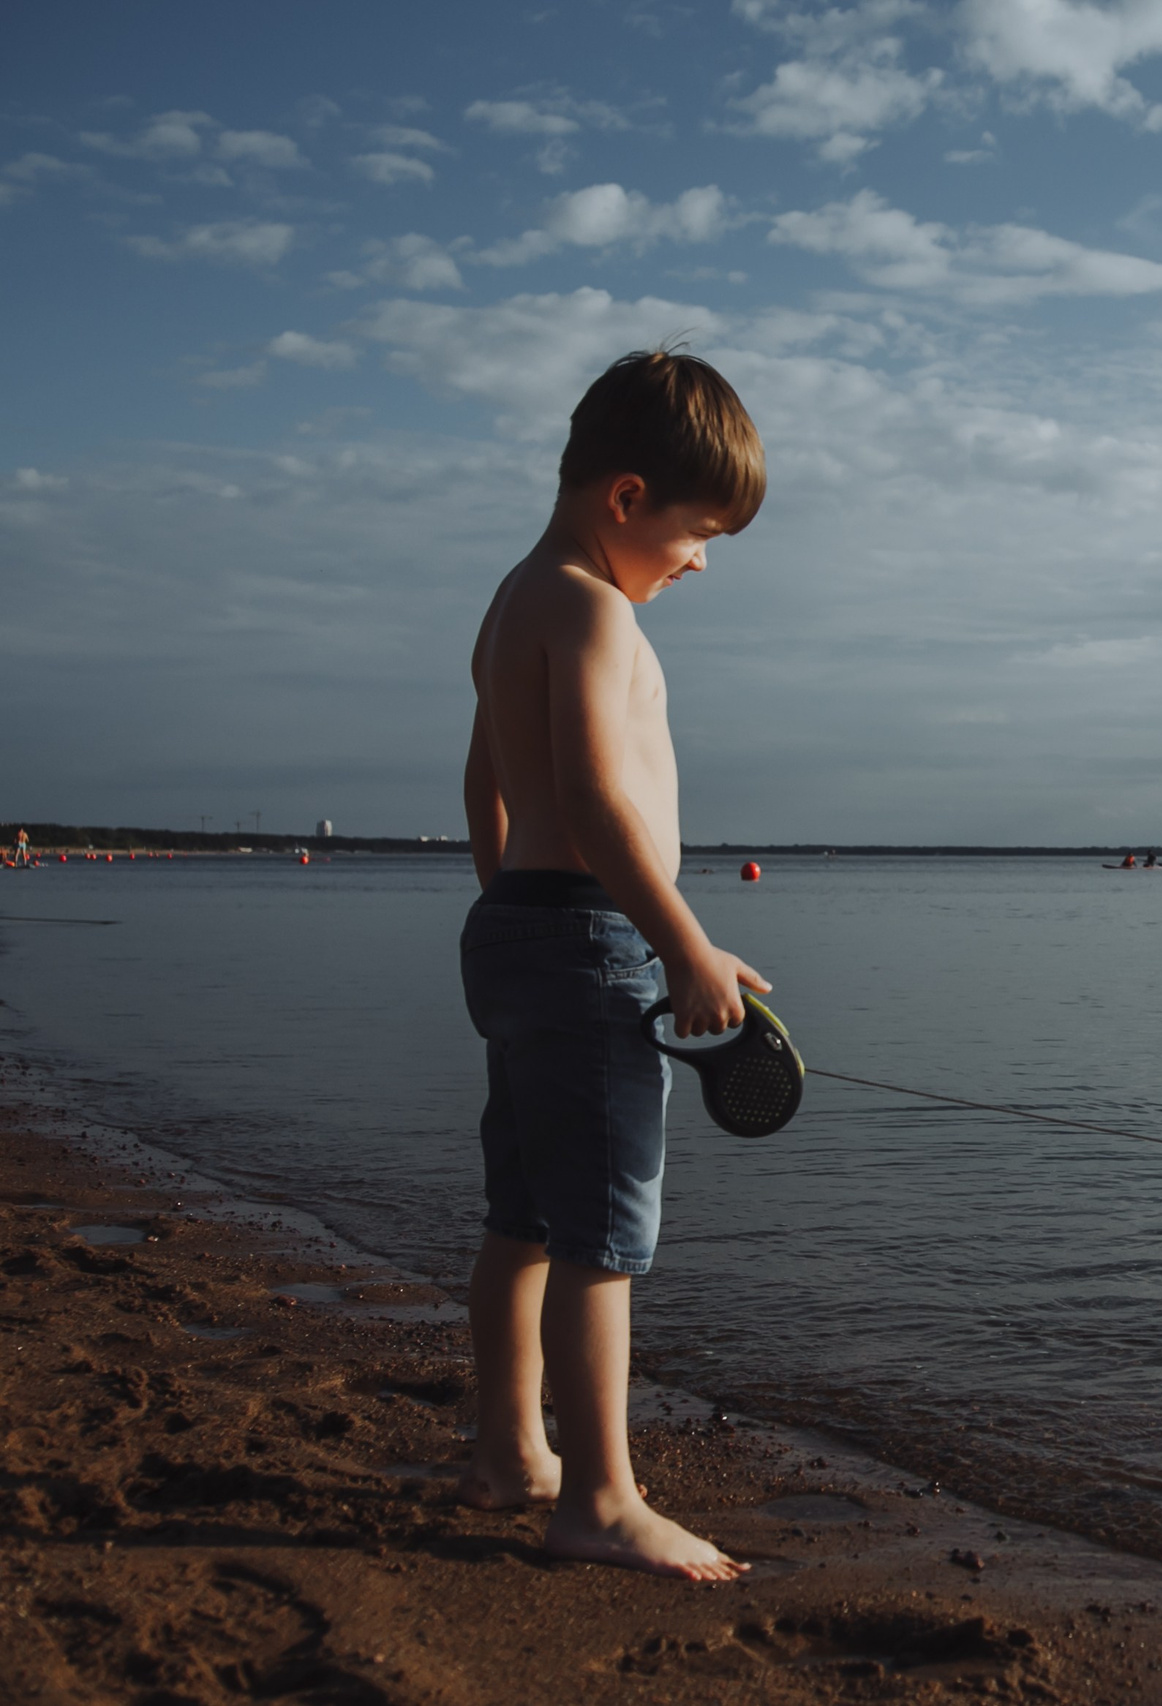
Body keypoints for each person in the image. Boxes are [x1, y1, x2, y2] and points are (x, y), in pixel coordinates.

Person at [457, 348, 770, 1581]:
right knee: (602, 1233)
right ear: (627, 499)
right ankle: (596, 1496)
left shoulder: (512, 598)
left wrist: (512, 906)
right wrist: (679, 942)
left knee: (523, 1210)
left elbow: (486, 781)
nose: (701, 561)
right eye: (699, 532)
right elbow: (594, 800)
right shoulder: (592, 607)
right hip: (586, 931)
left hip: (531, 926)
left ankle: (504, 1447)